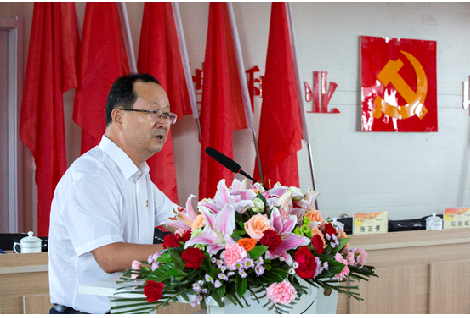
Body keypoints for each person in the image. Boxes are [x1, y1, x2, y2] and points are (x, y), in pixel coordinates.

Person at [48, 74, 179, 314]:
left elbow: (186, 222)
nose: (163, 122)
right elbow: (110, 257)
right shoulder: (90, 176)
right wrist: (185, 256)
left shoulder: (139, 176)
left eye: (167, 114)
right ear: (118, 117)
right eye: (153, 112)